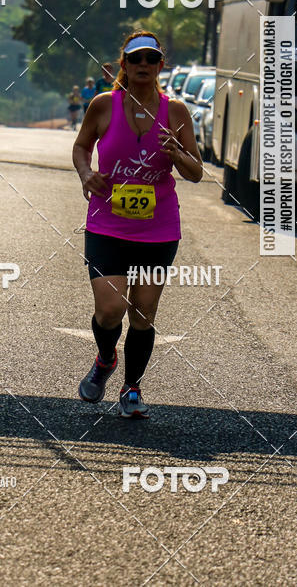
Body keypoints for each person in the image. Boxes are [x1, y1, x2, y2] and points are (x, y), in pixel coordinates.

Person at [72, 30, 203, 418]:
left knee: (143, 312)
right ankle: (104, 359)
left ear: (161, 66)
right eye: (135, 59)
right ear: (124, 66)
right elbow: (81, 146)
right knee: (111, 309)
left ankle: (132, 389)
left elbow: (196, 172)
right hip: (106, 224)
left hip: (157, 230)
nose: (143, 65)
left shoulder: (176, 111)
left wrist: (177, 151)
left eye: (150, 59)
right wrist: (85, 173)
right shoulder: (103, 105)